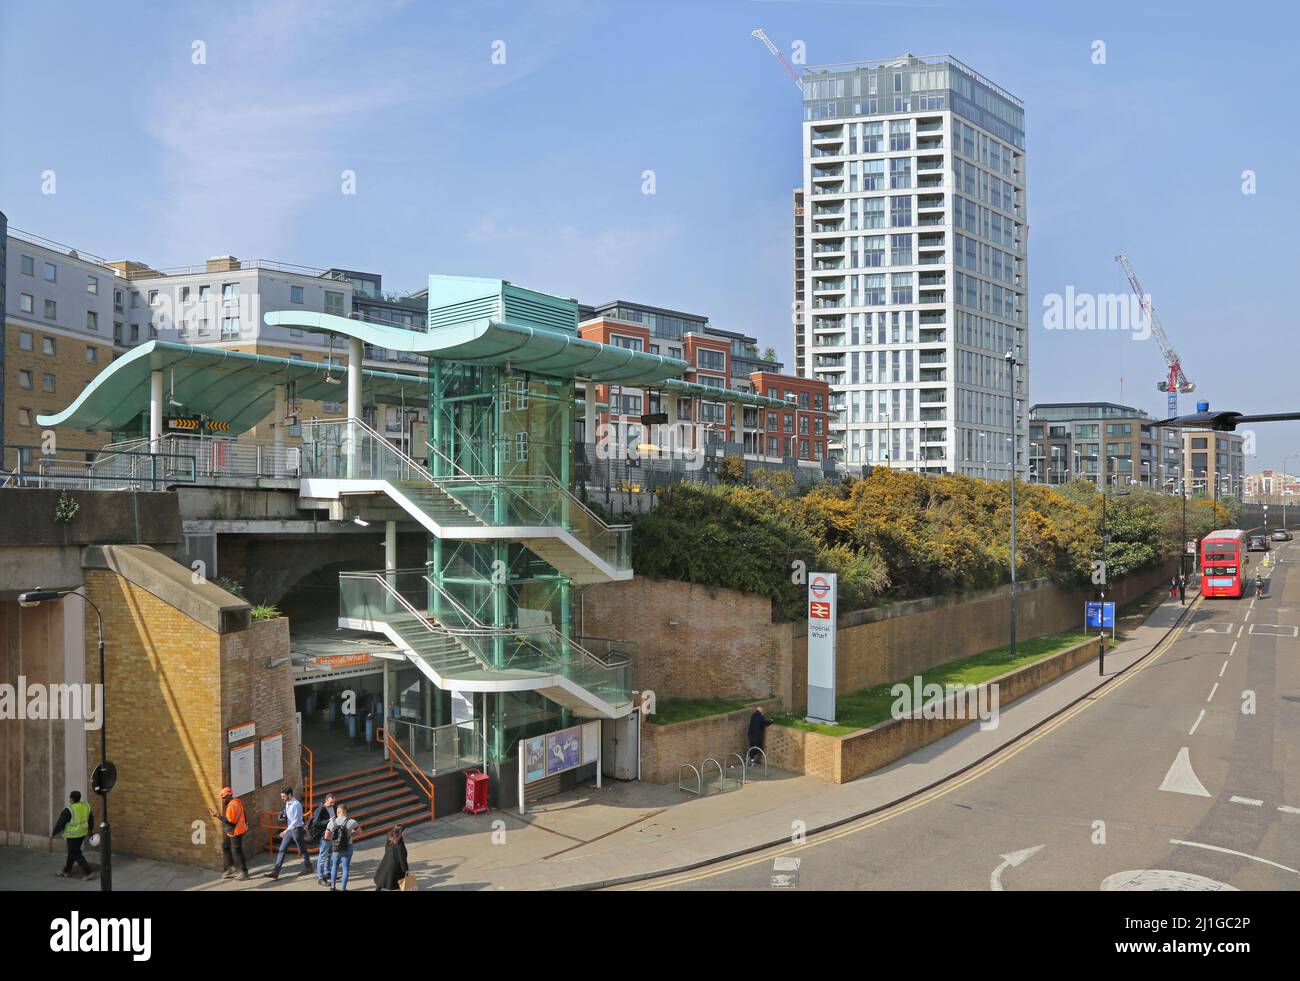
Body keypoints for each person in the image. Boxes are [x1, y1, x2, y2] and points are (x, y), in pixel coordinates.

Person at [264, 786, 312, 880]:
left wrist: (285, 831)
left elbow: (296, 820)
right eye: (281, 796)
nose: (282, 798)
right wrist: (284, 816)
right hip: (290, 830)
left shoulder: (296, 804)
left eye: (283, 796)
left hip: (297, 830)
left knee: (302, 850)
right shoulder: (287, 803)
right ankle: (276, 872)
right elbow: (289, 816)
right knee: (282, 849)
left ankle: (308, 867)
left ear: (289, 795)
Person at [50, 791, 95, 881]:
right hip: (82, 834)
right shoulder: (86, 806)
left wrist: (53, 833)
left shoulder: (69, 810)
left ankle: (89, 872)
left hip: (73, 836)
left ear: (71, 799)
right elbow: (91, 819)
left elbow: (60, 823)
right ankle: (67, 871)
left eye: (70, 798)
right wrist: (90, 831)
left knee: (76, 853)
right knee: (72, 852)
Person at [208, 787, 250, 881]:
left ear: (229, 795)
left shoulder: (232, 806)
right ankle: (230, 867)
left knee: (237, 851)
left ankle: (244, 872)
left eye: (224, 797)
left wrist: (218, 816)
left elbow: (230, 822)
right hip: (235, 829)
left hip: (235, 831)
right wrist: (246, 823)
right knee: (225, 845)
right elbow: (243, 812)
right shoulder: (236, 801)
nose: (223, 800)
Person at [325, 804, 361, 892]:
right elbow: (360, 832)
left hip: (336, 849)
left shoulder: (331, 822)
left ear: (338, 812)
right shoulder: (352, 822)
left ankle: (332, 887)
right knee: (345, 869)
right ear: (345, 812)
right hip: (347, 847)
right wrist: (351, 832)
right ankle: (343, 889)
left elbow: (326, 836)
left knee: (334, 866)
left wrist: (334, 839)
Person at [310, 793, 337, 886]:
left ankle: (327, 873)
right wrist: (328, 821)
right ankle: (320, 878)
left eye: (333, 802)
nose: (332, 804)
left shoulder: (334, 807)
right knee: (322, 857)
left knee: (329, 855)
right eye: (331, 802)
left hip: (331, 835)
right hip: (324, 836)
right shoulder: (321, 809)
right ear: (326, 800)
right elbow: (316, 822)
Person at [373, 825, 409, 891]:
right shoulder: (399, 844)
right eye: (403, 831)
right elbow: (402, 859)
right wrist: (405, 869)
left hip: (387, 861)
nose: (404, 833)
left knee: (382, 878)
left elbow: (386, 849)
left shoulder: (389, 838)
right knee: (400, 880)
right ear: (400, 832)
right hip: (395, 866)